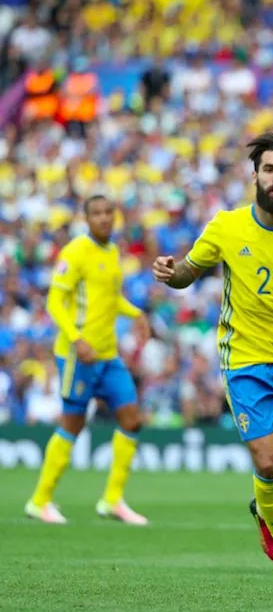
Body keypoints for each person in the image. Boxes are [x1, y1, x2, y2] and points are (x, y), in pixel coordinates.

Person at [152, 132, 273, 577]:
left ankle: (265, 509)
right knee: (268, 461)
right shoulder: (226, 226)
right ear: (255, 175)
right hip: (243, 359)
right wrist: (170, 272)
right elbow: (188, 271)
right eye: (269, 170)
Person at [26, 195, 151, 525]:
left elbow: (110, 299)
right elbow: (54, 301)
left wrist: (136, 313)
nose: (104, 218)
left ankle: (112, 499)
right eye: (96, 213)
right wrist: (76, 339)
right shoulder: (75, 253)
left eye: (109, 212)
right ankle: (40, 500)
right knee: (73, 424)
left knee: (132, 419)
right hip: (77, 355)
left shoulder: (112, 253)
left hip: (107, 355)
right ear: (86, 219)